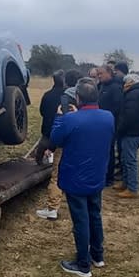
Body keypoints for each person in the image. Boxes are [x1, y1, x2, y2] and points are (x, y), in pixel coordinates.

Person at [50, 79, 115, 277]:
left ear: (78, 98)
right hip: (96, 174)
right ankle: (98, 255)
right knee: (95, 214)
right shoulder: (108, 117)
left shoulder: (71, 119)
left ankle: (83, 263)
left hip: (75, 177)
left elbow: (55, 139)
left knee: (81, 220)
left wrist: (60, 118)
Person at [35, 69, 83, 220]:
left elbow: (60, 127)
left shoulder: (64, 100)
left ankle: (52, 208)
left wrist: (52, 146)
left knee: (57, 175)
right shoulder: (87, 97)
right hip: (81, 144)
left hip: (63, 142)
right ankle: (78, 206)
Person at [116, 73, 139, 198]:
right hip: (134, 131)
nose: (124, 84)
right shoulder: (138, 93)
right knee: (125, 158)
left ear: (131, 83)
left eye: (126, 82)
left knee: (130, 160)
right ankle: (126, 182)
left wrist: (120, 129)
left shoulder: (133, 95)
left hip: (131, 132)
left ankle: (132, 188)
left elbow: (129, 116)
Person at [97, 65, 124, 186]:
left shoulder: (115, 87)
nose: (99, 76)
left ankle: (109, 177)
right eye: (98, 74)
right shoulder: (102, 86)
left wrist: (107, 118)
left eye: (101, 73)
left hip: (110, 124)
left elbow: (117, 107)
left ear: (109, 73)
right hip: (100, 123)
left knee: (109, 151)